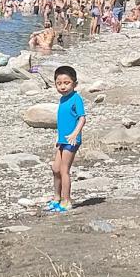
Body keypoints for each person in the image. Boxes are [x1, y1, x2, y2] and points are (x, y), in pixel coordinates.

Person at [47, 65, 86, 213]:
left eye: (66, 83)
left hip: (72, 140)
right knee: (55, 168)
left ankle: (66, 200)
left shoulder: (76, 99)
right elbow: (63, 120)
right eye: (59, 83)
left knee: (64, 170)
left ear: (74, 84)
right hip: (62, 140)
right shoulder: (62, 99)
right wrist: (59, 137)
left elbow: (82, 118)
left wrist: (75, 134)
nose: (63, 86)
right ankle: (57, 197)